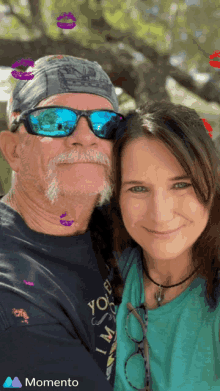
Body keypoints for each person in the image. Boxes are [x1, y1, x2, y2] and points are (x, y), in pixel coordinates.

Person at [0, 54, 125, 390]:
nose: (85, 137)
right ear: (13, 151)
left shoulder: (134, 227)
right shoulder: (10, 293)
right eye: (54, 120)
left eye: (105, 123)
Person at [109, 102, 220, 391]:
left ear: (211, 182)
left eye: (181, 185)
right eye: (138, 188)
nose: (160, 213)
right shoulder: (106, 270)